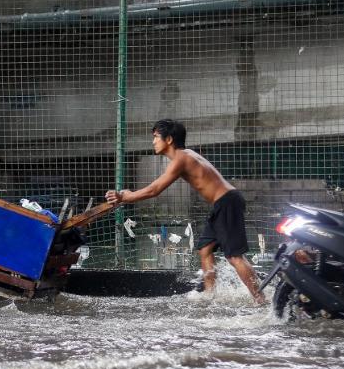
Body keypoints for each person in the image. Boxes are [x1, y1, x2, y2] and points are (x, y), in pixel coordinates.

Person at [105, 119, 266, 305]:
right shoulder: (186, 155)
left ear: (169, 139)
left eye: (156, 137)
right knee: (205, 249)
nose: (153, 141)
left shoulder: (181, 159)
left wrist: (124, 197)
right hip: (223, 203)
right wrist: (128, 195)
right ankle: (209, 294)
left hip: (227, 202)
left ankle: (261, 300)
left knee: (234, 256)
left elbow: (154, 190)